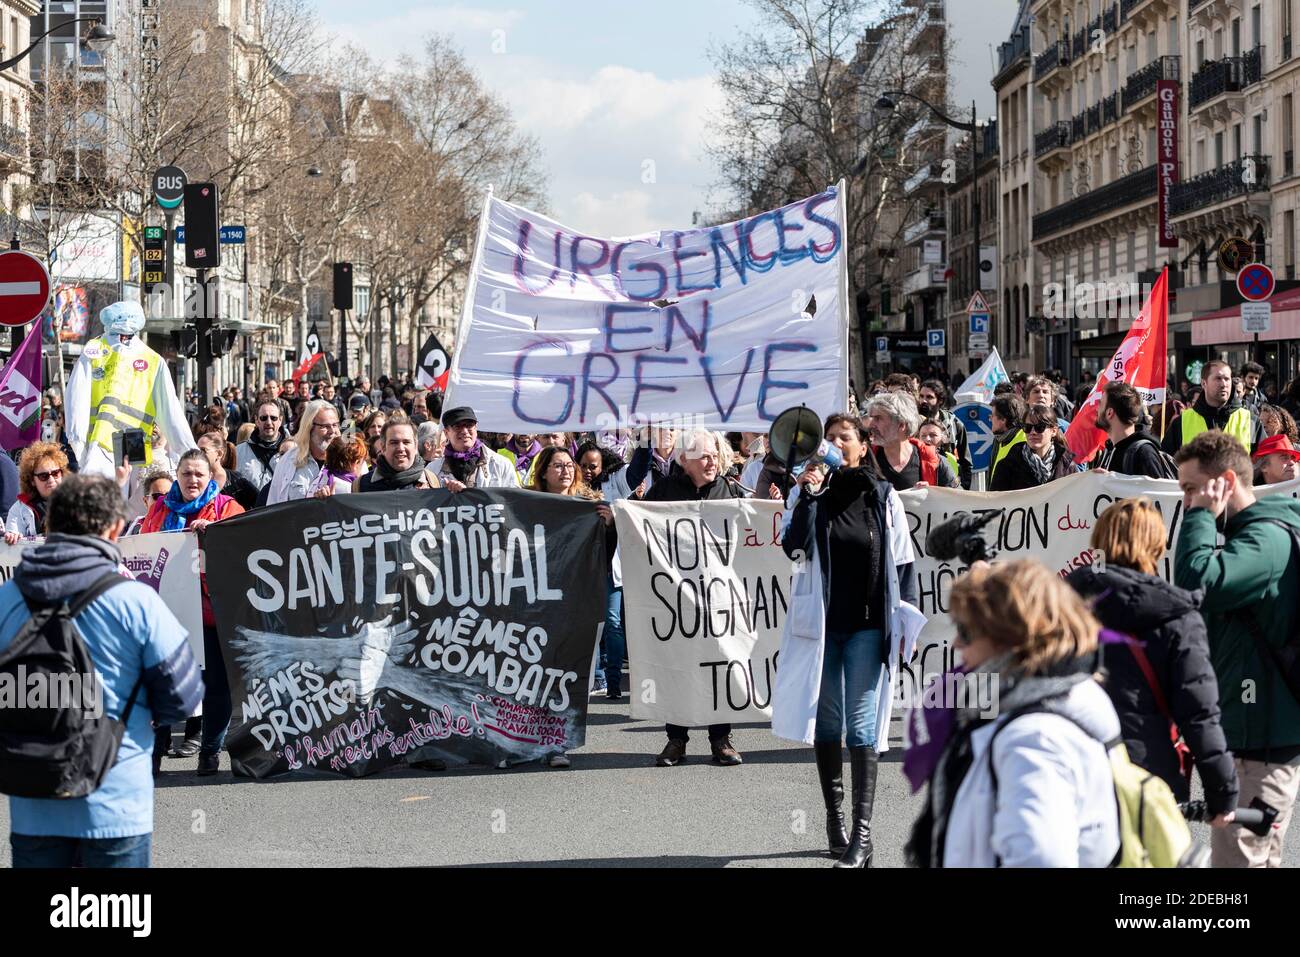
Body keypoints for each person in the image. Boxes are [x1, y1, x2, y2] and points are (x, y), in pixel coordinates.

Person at [1, 475, 203, 868]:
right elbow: (184, 696)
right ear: (113, 529)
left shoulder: (6, 599)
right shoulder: (136, 601)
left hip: (32, 802)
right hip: (117, 802)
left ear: (48, 526)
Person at [906, 561, 1121, 868]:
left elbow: (1041, 861)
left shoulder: (1033, 740)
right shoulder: (1046, 702)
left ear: (1008, 637)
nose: (956, 644)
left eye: (966, 631)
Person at [775, 413, 919, 867]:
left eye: (844, 437)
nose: (834, 444)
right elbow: (793, 547)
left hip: (868, 624)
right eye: (828, 438)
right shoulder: (808, 492)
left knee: (860, 726)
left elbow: (902, 563)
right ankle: (834, 820)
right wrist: (809, 495)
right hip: (822, 627)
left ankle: (862, 836)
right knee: (828, 724)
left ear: (862, 446)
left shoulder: (881, 495)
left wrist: (906, 622)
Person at [1174, 429, 1300, 867]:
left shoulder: (1264, 541)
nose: (1187, 502)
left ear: (1224, 483)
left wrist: (1201, 516)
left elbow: (1196, 582)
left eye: (1191, 489)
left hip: (1259, 743)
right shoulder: (1253, 535)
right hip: (1251, 736)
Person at [1067, 498, 1238, 814]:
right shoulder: (1177, 618)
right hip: (1146, 779)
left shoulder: (1058, 608)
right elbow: (1199, 713)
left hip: (1069, 773)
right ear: (1157, 546)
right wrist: (1222, 795)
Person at [644, 429, 747, 767]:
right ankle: (677, 740)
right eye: (704, 456)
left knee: (719, 664)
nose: (711, 461)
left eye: (714, 455)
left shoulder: (729, 490)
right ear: (684, 460)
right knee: (681, 667)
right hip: (677, 600)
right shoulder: (665, 491)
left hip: (719, 599)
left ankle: (721, 740)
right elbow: (639, 525)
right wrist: (615, 517)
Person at [139, 449, 245, 776]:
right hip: (171, 615)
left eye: (199, 474)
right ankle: (155, 754)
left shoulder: (227, 507)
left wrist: (213, 531)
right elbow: (145, 549)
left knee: (215, 687)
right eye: (186, 473)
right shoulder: (159, 509)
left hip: (212, 615)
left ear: (210, 477)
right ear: (177, 475)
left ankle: (210, 753)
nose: (192, 480)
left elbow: (244, 544)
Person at [63, 300, 196, 478]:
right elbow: (172, 415)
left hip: (101, 446)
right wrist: (190, 453)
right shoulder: (152, 360)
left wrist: (78, 445)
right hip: (135, 448)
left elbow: (75, 403)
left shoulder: (93, 351)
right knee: (134, 502)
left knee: (102, 500)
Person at [1162, 359, 1263, 455]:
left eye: (1227, 379)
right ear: (1203, 383)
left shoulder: (1250, 420)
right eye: (1218, 378)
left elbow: (1262, 462)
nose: (1224, 384)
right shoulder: (1182, 422)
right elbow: (1167, 463)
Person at [864, 392, 958, 491]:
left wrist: (932, 493)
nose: (871, 424)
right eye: (871, 418)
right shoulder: (864, 460)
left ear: (901, 425)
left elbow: (956, 499)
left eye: (878, 418)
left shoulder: (935, 462)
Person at [1090, 381, 1175, 478]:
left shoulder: (1144, 453)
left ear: (1110, 413)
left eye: (1100, 404)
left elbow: (1154, 492)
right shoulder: (1109, 450)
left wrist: (1114, 481)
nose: (1097, 409)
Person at [266, 400, 341, 504]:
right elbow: (273, 503)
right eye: (325, 426)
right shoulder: (288, 461)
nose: (332, 431)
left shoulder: (351, 460)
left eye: (335, 425)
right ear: (309, 427)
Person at [430, 407, 520, 490]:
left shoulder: (501, 465)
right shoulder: (433, 470)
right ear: (446, 433)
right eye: (457, 426)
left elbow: (513, 501)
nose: (465, 431)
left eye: (469, 425)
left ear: (476, 428)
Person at [989, 403, 1074, 491]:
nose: (1032, 432)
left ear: (1054, 431)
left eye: (1039, 427)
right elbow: (996, 501)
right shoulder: (1007, 465)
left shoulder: (1068, 465)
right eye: (1027, 427)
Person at [353, 416, 440, 492]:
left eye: (406, 442)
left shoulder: (432, 482)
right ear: (383, 447)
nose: (401, 448)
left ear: (415, 446)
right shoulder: (361, 486)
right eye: (394, 442)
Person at [4, 442, 66, 543]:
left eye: (55, 473)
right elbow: (12, 538)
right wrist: (13, 536)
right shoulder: (19, 509)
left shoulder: (76, 503)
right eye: (43, 476)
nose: (51, 480)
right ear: (32, 480)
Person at [918, 380, 971, 489]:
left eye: (929, 397)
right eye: (921, 396)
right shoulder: (911, 424)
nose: (924, 401)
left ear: (940, 401)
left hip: (949, 488)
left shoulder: (954, 424)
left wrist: (963, 489)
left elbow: (965, 463)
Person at [196, 430, 258, 511]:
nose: (198, 454)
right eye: (197, 450)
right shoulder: (192, 477)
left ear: (219, 454)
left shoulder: (237, 480)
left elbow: (260, 503)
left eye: (203, 450)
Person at [235, 399, 287, 491]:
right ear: (256, 420)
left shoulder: (293, 451)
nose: (269, 422)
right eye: (263, 418)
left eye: (273, 418)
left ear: (280, 420)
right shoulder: (239, 452)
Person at [988, 393, 1026, 487]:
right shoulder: (999, 439)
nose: (990, 419)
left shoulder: (1025, 440)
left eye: (992, 415)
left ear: (1003, 420)